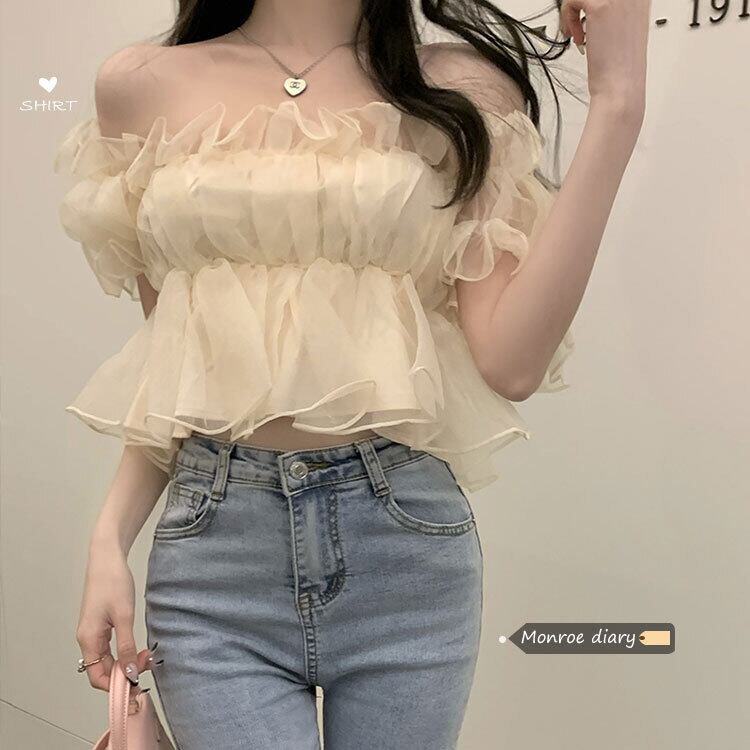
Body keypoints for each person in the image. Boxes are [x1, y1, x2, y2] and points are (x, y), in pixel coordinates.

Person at [54, 0, 649, 747]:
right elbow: (183, 369)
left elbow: (512, 363)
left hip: (406, 552)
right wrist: (108, 539)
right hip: (216, 564)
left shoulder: (462, 89)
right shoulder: (141, 86)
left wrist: (619, 103)